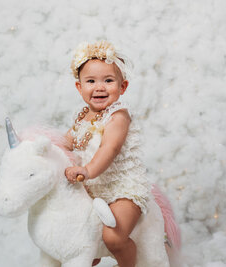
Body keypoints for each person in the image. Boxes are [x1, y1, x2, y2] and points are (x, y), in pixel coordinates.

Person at [64, 40, 150, 267]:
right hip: (92, 192)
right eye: (91, 81)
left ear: (122, 87)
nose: (99, 87)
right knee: (81, 242)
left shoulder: (118, 116)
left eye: (108, 81)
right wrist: (40, 145)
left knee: (113, 237)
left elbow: (109, 149)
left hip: (122, 189)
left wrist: (87, 170)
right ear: (79, 87)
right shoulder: (83, 117)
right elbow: (65, 142)